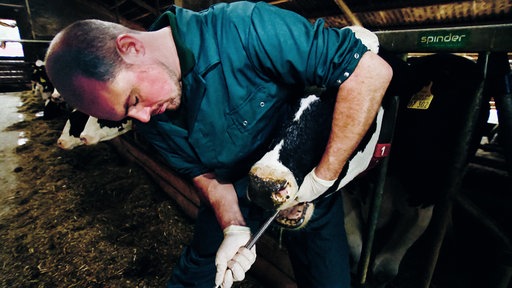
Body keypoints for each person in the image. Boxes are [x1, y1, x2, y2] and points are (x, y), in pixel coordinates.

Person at [45, 1, 392, 287]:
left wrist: (323, 177)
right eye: (127, 115)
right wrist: (233, 227)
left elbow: (369, 73)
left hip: (305, 187)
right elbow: (203, 173)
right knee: (194, 279)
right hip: (235, 194)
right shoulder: (151, 121)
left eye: (134, 98)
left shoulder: (244, 27)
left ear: (132, 47)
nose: (143, 119)